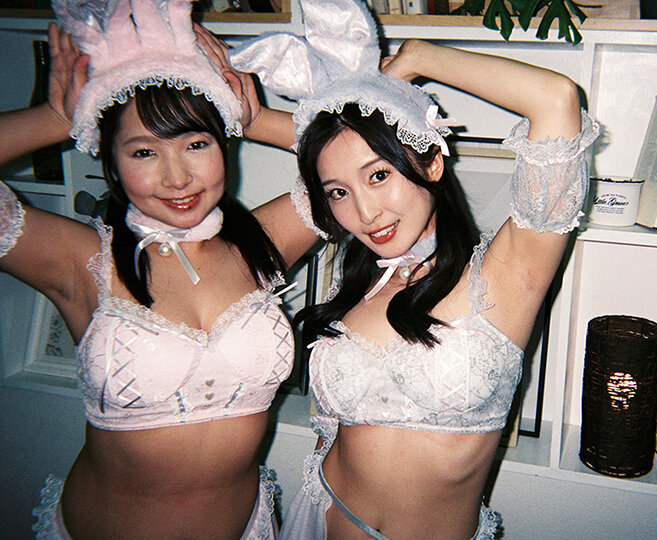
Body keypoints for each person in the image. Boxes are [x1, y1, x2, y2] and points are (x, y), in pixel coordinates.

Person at [229, 0, 599, 538]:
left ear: (431, 160)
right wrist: (259, 120)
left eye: (379, 175)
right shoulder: (356, 281)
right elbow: (337, 150)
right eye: (338, 192)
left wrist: (420, 59)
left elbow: (556, 101)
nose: (365, 213)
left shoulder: (504, 275)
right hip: (320, 520)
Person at [0, 1, 318, 538]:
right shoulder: (82, 260)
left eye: (196, 144)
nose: (177, 178)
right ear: (111, 161)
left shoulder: (261, 245)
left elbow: (376, 160)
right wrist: (57, 118)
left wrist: (256, 119)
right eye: (144, 152)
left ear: (224, 143)